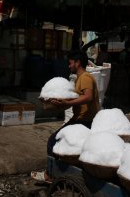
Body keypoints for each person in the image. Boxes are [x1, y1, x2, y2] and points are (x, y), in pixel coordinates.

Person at [31, 50, 100, 182]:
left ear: (78, 63)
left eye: (70, 63)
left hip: (85, 121)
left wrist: (67, 102)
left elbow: (88, 97)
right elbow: (76, 102)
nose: (68, 66)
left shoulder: (85, 77)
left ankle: (50, 175)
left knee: (53, 140)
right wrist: (60, 104)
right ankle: (61, 172)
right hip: (80, 119)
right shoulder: (80, 78)